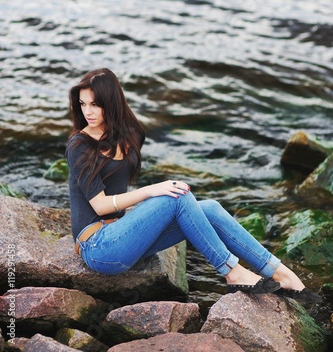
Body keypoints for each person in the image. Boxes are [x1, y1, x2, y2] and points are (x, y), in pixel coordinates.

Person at [66, 68, 320, 303]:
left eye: (96, 104)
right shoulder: (79, 145)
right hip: (98, 246)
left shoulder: (130, 135)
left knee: (209, 207)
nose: (88, 112)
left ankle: (280, 272)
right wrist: (151, 190)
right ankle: (232, 272)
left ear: (111, 103)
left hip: (123, 236)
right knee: (175, 195)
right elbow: (99, 206)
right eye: (83, 104)